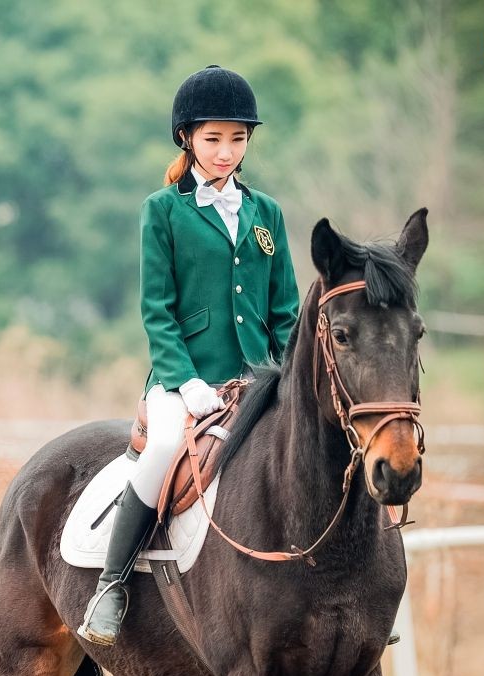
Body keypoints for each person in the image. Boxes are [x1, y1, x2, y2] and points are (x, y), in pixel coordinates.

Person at [78, 65, 301, 646]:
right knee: (162, 452)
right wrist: (185, 381)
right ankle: (111, 585)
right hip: (184, 379)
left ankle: (346, 592)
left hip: (259, 377)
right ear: (187, 138)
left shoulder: (267, 213)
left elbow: (285, 310)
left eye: (238, 139)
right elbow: (157, 310)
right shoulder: (163, 210)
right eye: (214, 138)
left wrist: (292, 377)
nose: (226, 152)